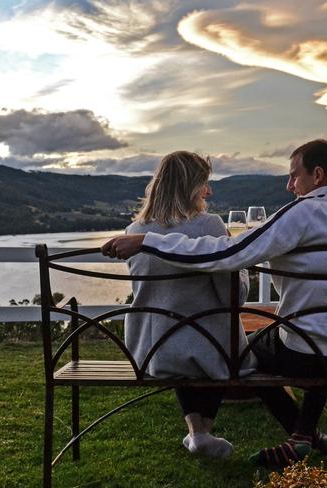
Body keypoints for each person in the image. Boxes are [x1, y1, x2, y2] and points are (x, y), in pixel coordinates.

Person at [102, 139, 327, 467]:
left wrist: (148, 241)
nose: (289, 185)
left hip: (307, 353)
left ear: (317, 175)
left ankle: (300, 436)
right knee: (309, 333)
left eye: (294, 176)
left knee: (246, 353)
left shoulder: (304, 211)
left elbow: (230, 253)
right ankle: (308, 434)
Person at [123, 150, 253, 459]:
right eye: (205, 183)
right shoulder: (208, 225)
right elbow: (233, 297)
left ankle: (198, 434)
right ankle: (202, 433)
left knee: (186, 325)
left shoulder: (134, 232)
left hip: (149, 350)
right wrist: (244, 267)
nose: (209, 191)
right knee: (231, 340)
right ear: (190, 187)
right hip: (203, 349)